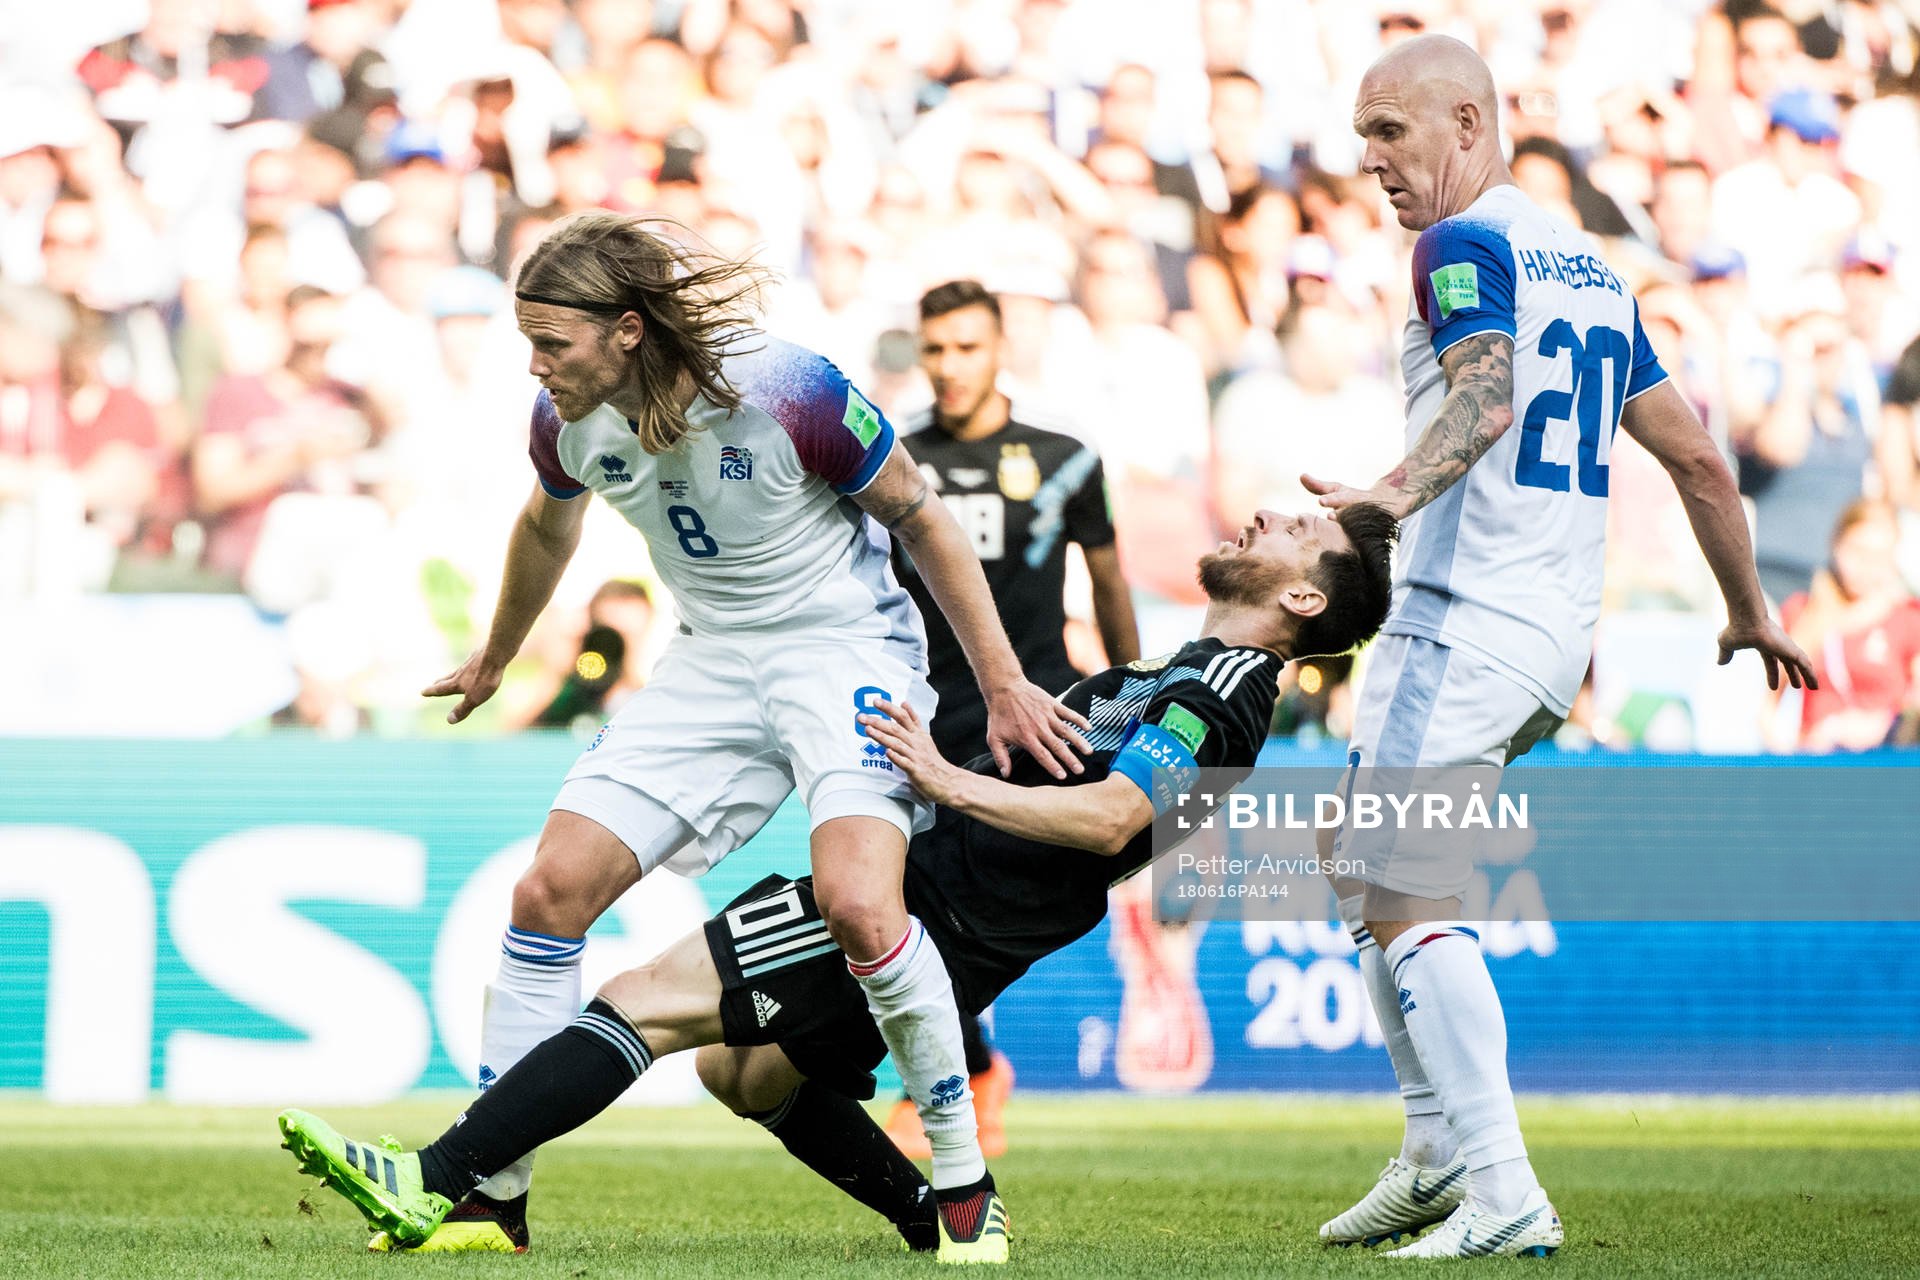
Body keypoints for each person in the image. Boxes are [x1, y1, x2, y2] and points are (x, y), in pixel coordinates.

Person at [276, 503, 1398, 1258]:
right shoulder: (1188, 671)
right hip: (959, 908)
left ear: (1304, 600)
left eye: (1293, 530)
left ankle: (447, 1177)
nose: (1262, 516)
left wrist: (943, 784)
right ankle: (937, 1217)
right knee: (745, 1072)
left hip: (930, 906)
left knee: (637, 998)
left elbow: (1113, 817)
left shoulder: (1231, 684)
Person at [410, 211, 1087, 1262]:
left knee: (864, 908)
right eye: (529, 343)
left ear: (628, 330)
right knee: (546, 893)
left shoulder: (790, 388)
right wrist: (497, 652)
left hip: (843, 648)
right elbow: (550, 524)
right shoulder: (564, 421)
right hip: (714, 658)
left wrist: (1002, 684)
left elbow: (925, 518)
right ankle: (492, 1196)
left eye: (551, 342)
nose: (535, 366)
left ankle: (963, 1182)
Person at [1303, 36, 1815, 1259]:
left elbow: (1482, 397)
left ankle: (1499, 1181)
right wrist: (1745, 606)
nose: (1368, 160)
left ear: (1468, 123)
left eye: (1390, 132)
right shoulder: (1584, 267)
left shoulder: (1461, 245)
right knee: (1357, 857)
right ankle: (1434, 1149)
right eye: (1362, 134)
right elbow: (1694, 456)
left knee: (1399, 888)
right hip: (1546, 632)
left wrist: (1382, 496)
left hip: (1464, 616)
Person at [882, 278, 1144, 1159]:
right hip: (920, 722)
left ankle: (959, 1080)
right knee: (899, 915)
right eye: (935, 350)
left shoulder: (1066, 456)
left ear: (1000, 350)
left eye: (966, 348)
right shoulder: (890, 459)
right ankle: (971, 1071)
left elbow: (1108, 583)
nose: (949, 367)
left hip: (1040, 727)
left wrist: (1137, 695)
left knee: (969, 920)